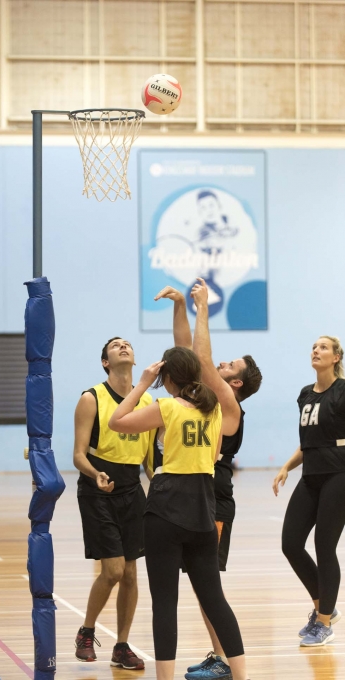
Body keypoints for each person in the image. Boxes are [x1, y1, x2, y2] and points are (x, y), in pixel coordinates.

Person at [109, 346, 250, 680]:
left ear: (167, 377)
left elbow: (117, 422)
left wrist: (142, 384)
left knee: (165, 603)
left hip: (165, 512)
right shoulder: (214, 409)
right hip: (203, 510)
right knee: (215, 600)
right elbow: (215, 454)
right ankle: (242, 676)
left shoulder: (167, 407)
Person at [155, 279, 262, 680]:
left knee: (208, 589)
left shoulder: (227, 403)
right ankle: (219, 656)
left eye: (228, 366)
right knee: (202, 587)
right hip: (187, 494)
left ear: (235, 383)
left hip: (212, 497)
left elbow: (200, 356)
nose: (219, 365)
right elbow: (188, 357)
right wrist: (181, 305)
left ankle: (225, 660)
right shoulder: (203, 396)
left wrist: (203, 309)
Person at [72, 337, 154, 670]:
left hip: (133, 490)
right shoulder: (91, 398)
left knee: (132, 575)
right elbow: (78, 455)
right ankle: (86, 630)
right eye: (114, 345)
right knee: (114, 570)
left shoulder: (148, 400)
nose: (123, 347)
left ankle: (121, 646)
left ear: (134, 358)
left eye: (127, 344)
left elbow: (150, 461)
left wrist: (164, 486)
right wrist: (96, 474)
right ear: (106, 362)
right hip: (98, 489)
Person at [273, 336, 345, 647]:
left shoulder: (343, 391)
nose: (316, 351)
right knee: (290, 543)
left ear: (336, 357)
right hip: (311, 475)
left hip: (338, 475)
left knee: (323, 546)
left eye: (323, 347)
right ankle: (323, 607)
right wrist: (287, 466)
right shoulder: (306, 394)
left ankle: (325, 622)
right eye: (314, 347)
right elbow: (308, 442)